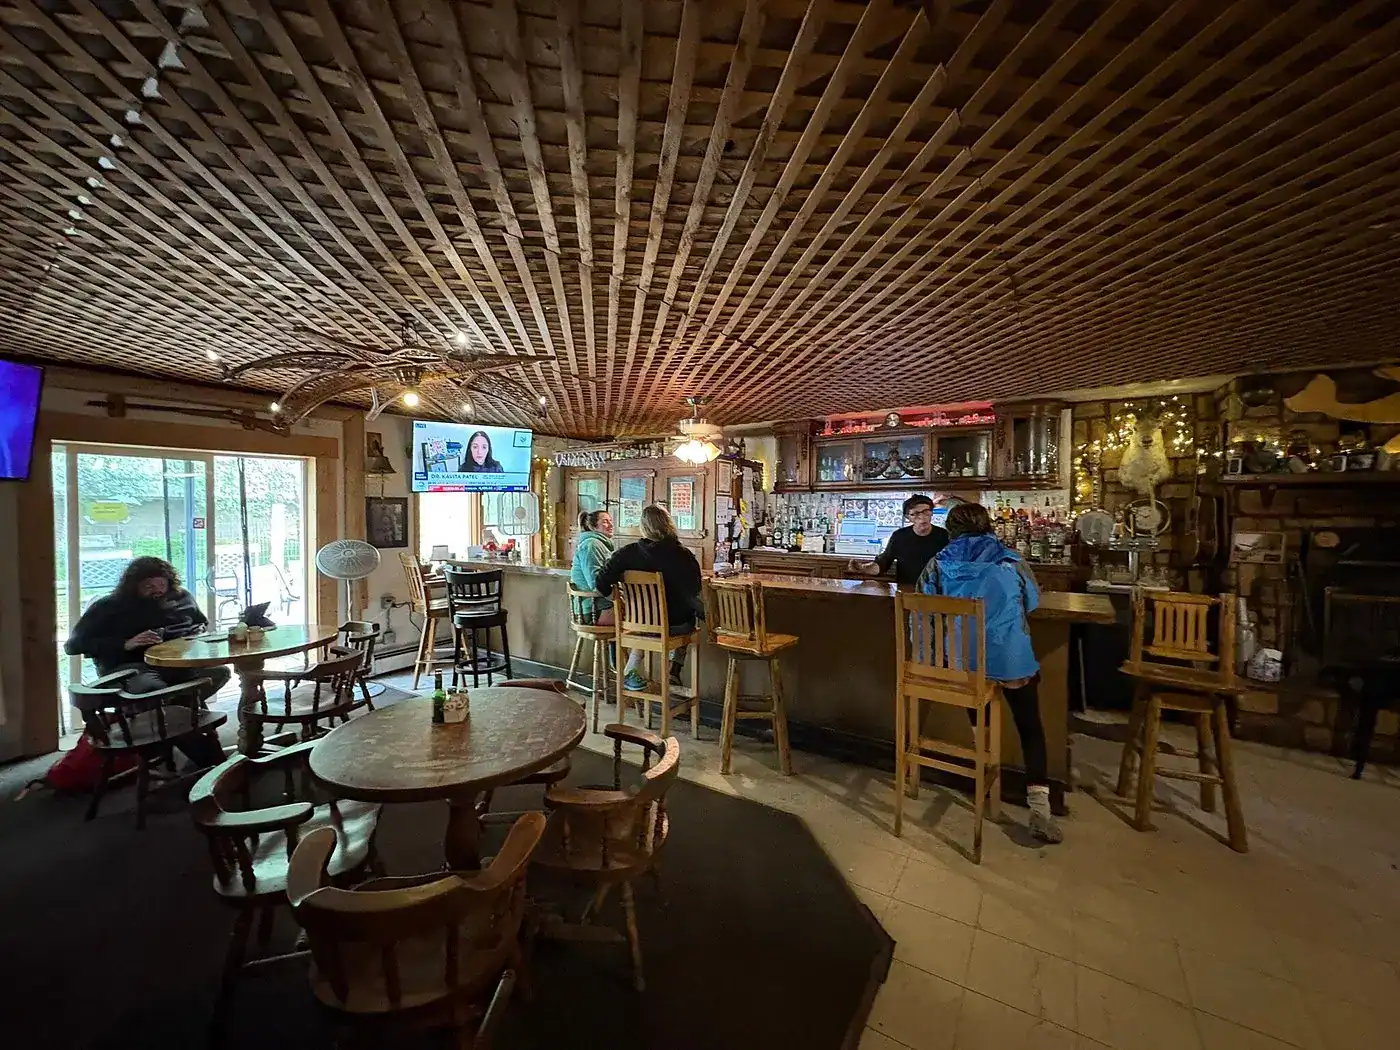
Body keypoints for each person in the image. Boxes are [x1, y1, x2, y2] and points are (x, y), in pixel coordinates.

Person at [917, 503, 1061, 843]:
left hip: (964, 666)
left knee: (977, 701)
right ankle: (1039, 805)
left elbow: (926, 608)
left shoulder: (937, 563)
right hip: (1011, 661)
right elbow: (1033, 603)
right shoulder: (1011, 560)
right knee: (1029, 726)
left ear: (951, 530)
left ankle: (984, 769)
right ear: (988, 527)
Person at [65, 557, 229, 767]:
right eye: (149, 586)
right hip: (130, 668)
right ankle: (210, 762)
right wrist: (125, 643)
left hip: (175, 664)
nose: (157, 590)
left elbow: (201, 622)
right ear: (134, 587)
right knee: (159, 694)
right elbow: (73, 646)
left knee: (217, 673)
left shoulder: (182, 598)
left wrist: (198, 631)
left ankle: (169, 724)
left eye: (162, 584)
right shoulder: (109, 606)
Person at [595, 505, 703, 691]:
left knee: (649, 625)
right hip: (675, 626)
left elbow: (601, 583)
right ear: (669, 525)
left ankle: (631, 671)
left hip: (637, 625)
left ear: (644, 526)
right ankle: (673, 671)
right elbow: (695, 591)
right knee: (690, 620)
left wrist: (617, 594)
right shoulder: (684, 556)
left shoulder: (627, 553)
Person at [851, 494, 948, 586]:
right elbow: (883, 563)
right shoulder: (900, 536)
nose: (922, 517)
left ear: (931, 512)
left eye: (926, 511)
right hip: (907, 591)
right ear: (908, 517)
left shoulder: (945, 536)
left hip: (938, 592)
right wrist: (862, 568)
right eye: (915, 514)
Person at [570, 509, 616, 622]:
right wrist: (616, 596)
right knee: (639, 620)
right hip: (593, 610)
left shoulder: (599, 544)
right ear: (594, 527)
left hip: (600, 605)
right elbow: (596, 583)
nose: (611, 524)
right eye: (605, 522)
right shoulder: (591, 545)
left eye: (610, 521)